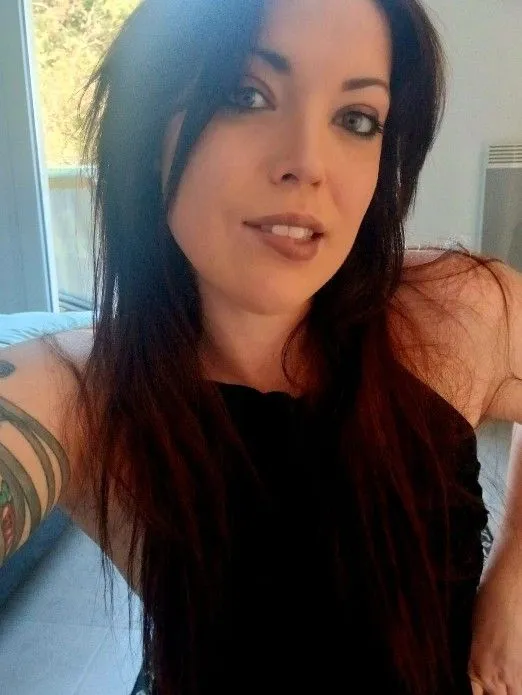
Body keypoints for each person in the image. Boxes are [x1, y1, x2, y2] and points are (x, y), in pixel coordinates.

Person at [1, 0, 522, 693]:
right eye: (245, 95)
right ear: (149, 125)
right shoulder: (81, 390)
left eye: (356, 119)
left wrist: (513, 579)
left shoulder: (456, 310)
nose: (307, 164)